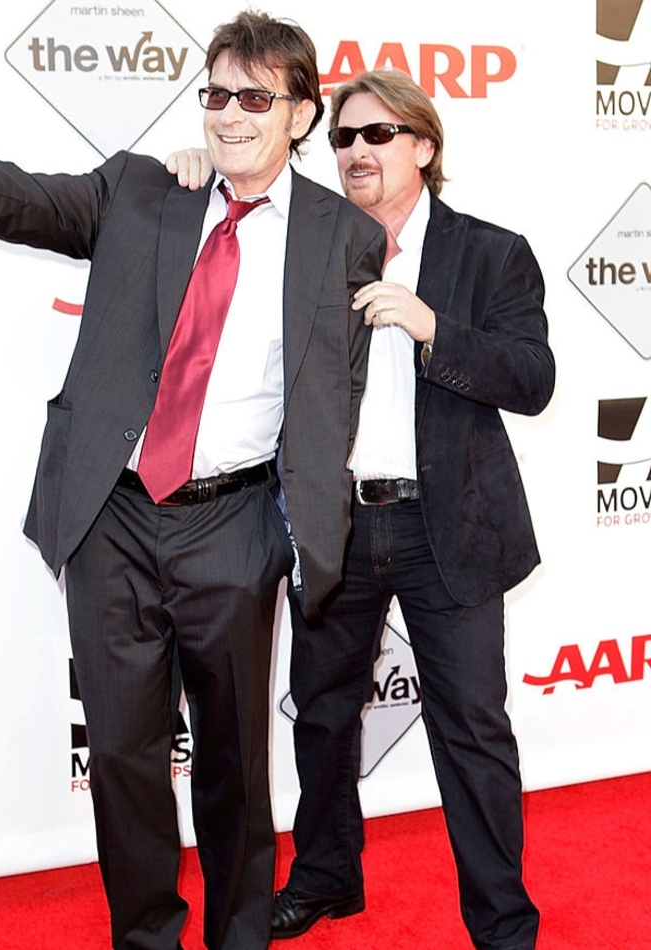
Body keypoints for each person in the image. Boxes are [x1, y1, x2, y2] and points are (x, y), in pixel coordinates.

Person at [0, 14, 386, 950]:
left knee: (235, 766)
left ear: (302, 116)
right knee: (125, 764)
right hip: (113, 520)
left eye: (255, 99)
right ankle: (144, 938)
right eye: (214, 93)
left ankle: (237, 937)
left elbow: (336, 394)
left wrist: (302, 537)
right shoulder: (146, 189)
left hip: (234, 527)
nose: (225, 116)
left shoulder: (344, 237)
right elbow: (24, 199)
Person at [167, 68, 554, 950]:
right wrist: (193, 172)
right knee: (324, 714)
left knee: (473, 733)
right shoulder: (309, 242)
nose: (355, 153)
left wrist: (430, 327)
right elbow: (226, 223)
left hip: (446, 525)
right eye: (341, 138)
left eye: (378, 135)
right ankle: (328, 875)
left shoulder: (490, 252)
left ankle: (502, 925)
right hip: (333, 521)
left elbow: (533, 381)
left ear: (424, 146)